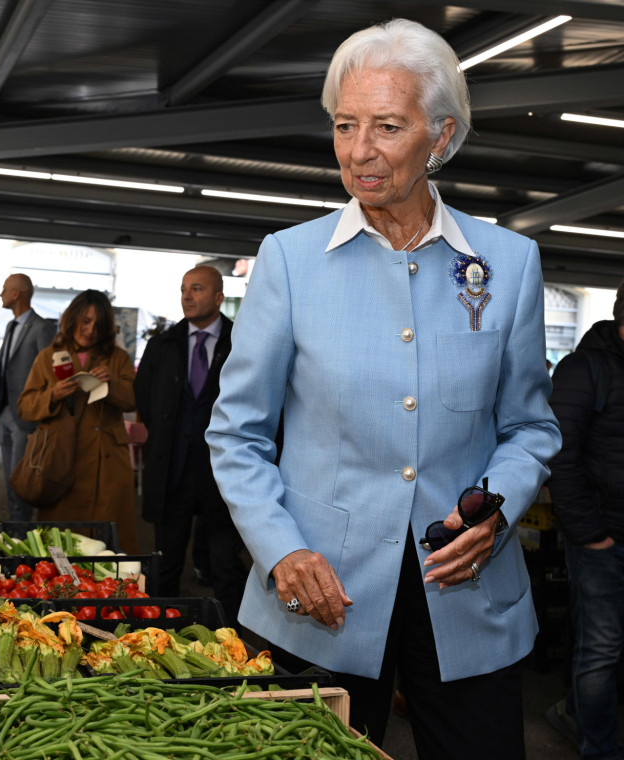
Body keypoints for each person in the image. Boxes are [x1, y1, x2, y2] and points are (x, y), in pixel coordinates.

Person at [205, 19, 560, 759]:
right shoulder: (290, 261)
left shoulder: (510, 264)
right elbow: (236, 435)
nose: (359, 151)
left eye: (387, 127)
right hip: (318, 599)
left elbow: (529, 428)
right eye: (344, 126)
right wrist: (280, 552)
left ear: (440, 137)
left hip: (468, 601)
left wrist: (490, 511)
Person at [135, 265, 245, 626]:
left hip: (223, 475)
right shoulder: (162, 345)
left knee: (226, 565)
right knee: (165, 562)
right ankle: (159, 633)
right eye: (183, 289)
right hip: (173, 471)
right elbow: (146, 401)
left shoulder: (242, 342)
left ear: (218, 297)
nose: (186, 296)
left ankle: (232, 639)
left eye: (196, 289)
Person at [545, 278, 624, 759]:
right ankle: (600, 750)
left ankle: (576, 711)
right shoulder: (585, 369)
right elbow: (557, 453)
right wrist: (590, 534)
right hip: (603, 539)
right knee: (602, 649)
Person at [18, 290, 138, 553]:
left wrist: (112, 383)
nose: (90, 330)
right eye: (85, 321)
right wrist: (53, 395)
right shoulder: (49, 356)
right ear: (72, 319)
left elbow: (133, 400)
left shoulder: (117, 358)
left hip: (107, 467)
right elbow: (25, 406)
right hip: (61, 462)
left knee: (109, 544)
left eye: (98, 324)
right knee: (61, 544)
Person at [0, 274, 57, 523]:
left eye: (5, 289)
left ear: (17, 293)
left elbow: (50, 373)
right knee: (9, 478)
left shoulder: (42, 328)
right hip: (6, 412)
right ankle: (14, 528)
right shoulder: (11, 326)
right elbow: (4, 370)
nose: (1, 294)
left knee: (22, 479)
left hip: (27, 417)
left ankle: (22, 532)